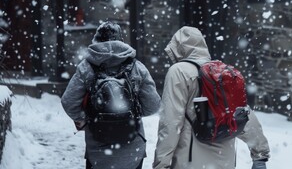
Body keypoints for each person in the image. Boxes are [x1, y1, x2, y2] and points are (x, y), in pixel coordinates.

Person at [153, 26, 270, 169]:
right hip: (225, 160)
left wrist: (161, 164)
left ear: (178, 48)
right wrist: (260, 154)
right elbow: (243, 115)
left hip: (191, 162)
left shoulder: (179, 71)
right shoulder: (221, 72)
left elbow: (171, 122)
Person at [61, 21, 161, 169]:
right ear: (120, 39)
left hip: (98, 151)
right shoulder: (136, 67)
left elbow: (69, 102)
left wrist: (87, 118)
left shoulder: (86, 67)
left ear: (96, 39)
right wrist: (131, 114)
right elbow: (153, 105)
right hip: (132, 150)